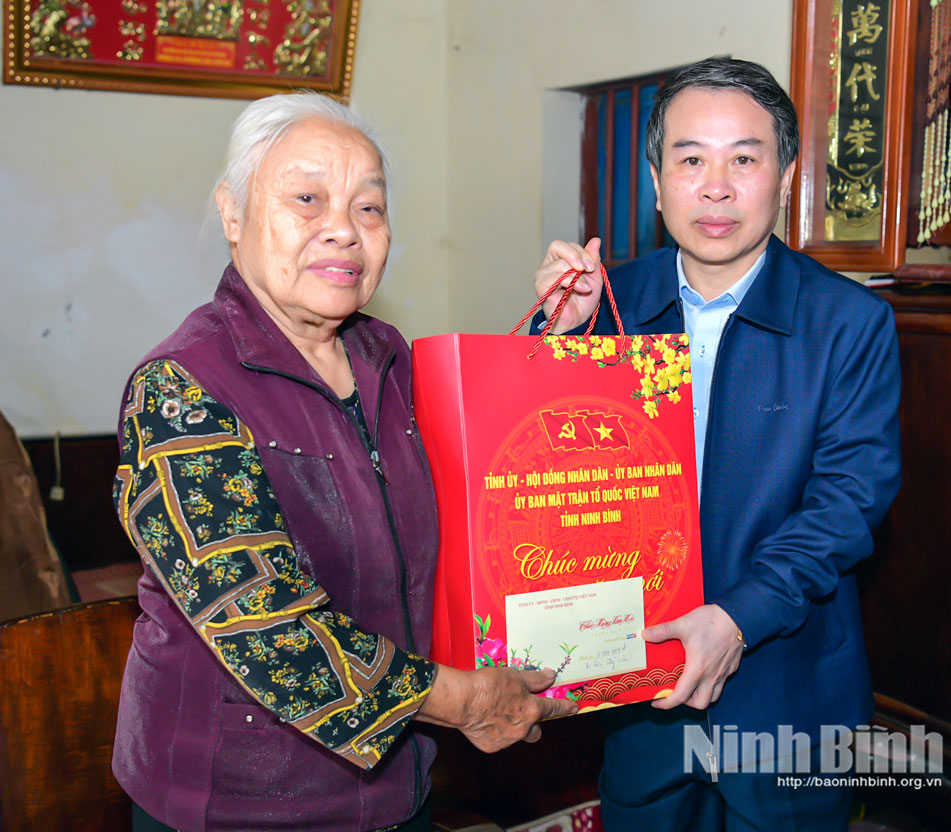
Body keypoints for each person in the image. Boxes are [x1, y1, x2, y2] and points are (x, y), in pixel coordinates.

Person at [112, 92, 575, 832]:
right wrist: (469, 701)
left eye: (369, 208)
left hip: (402, 783)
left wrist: (558, 333)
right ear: (232, 214)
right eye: (306, 198)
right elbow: (270, 631)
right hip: (241, 802)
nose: (343, 230)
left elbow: (490, 472)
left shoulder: (383, 355)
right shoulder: (183, 388)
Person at [532, 57, 901, 831]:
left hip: (788, 694)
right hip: (642, 696)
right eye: (691, 159)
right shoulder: (608, 304)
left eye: (745, 158)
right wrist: (555, 338)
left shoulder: (849, 323)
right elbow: (544, 482)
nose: (718, 186)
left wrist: (734, 619)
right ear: (657, 180)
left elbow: (848, 506)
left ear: (786, 173)